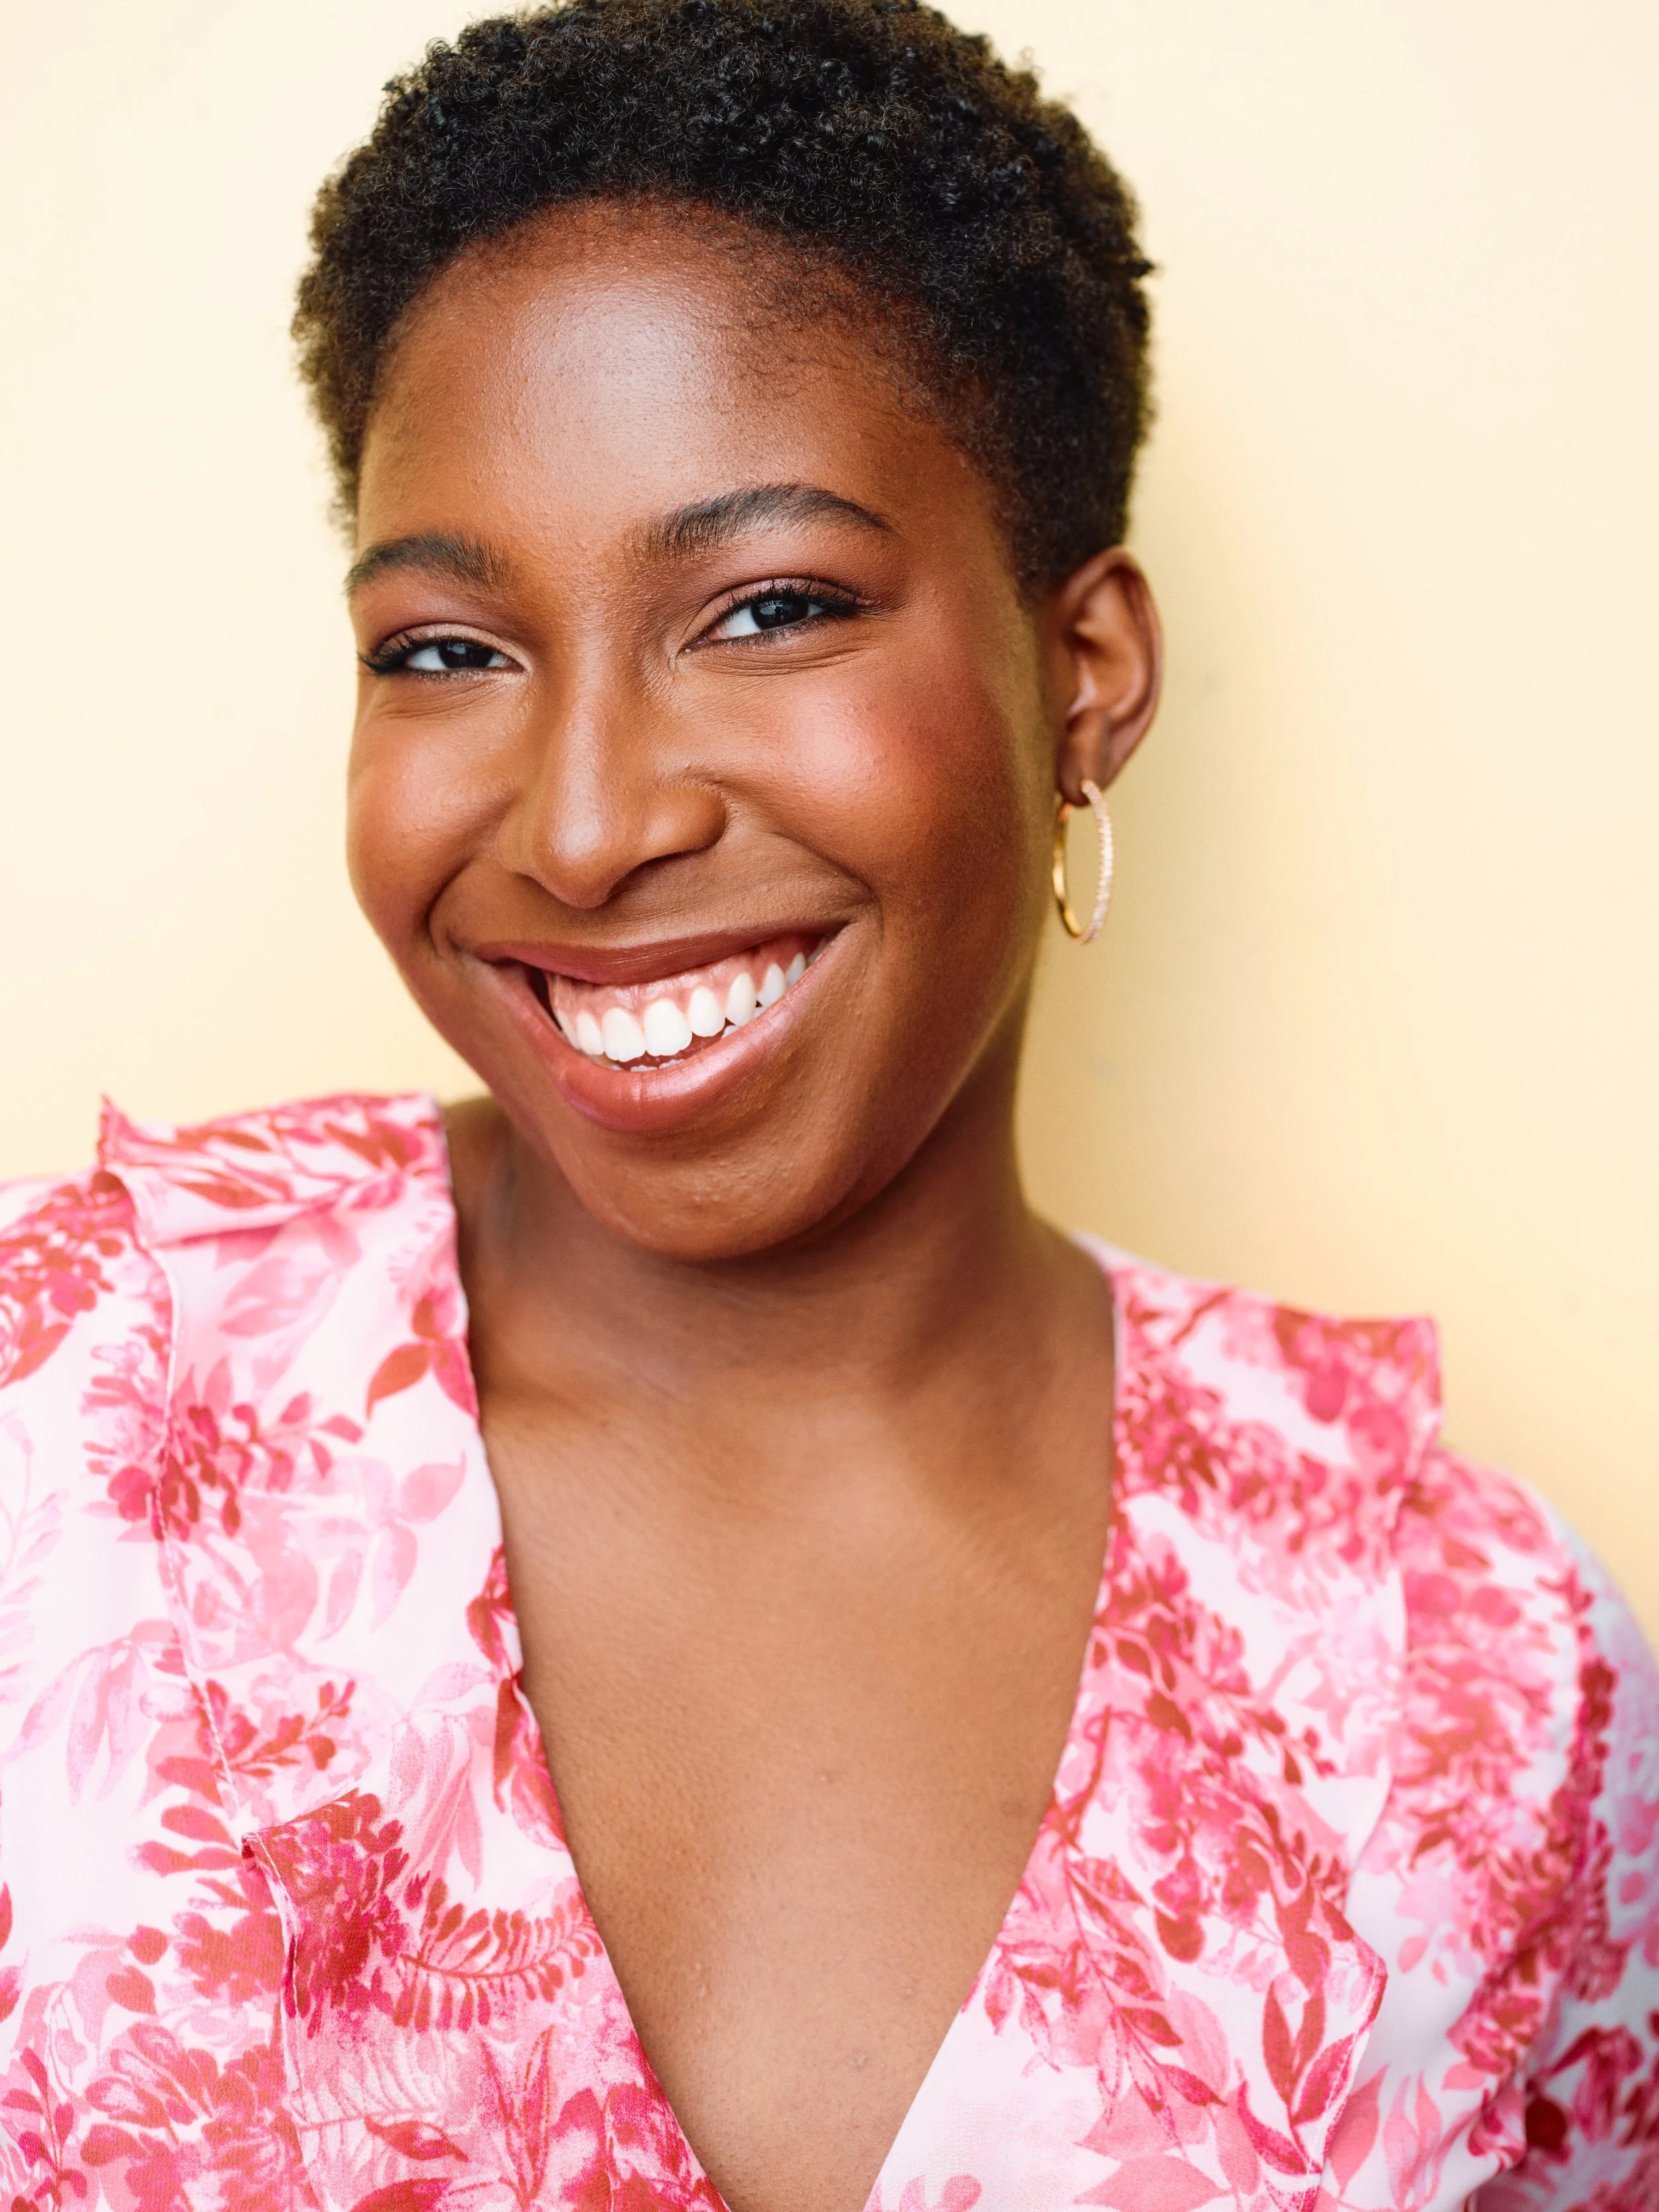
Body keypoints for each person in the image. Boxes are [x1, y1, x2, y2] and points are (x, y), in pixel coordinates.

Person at [1, 2, 1654, 2207]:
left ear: (1083, 676)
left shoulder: (1469, 1676)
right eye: (446, 648)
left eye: (766, 609)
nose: (583, 826)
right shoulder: (65, 1436)